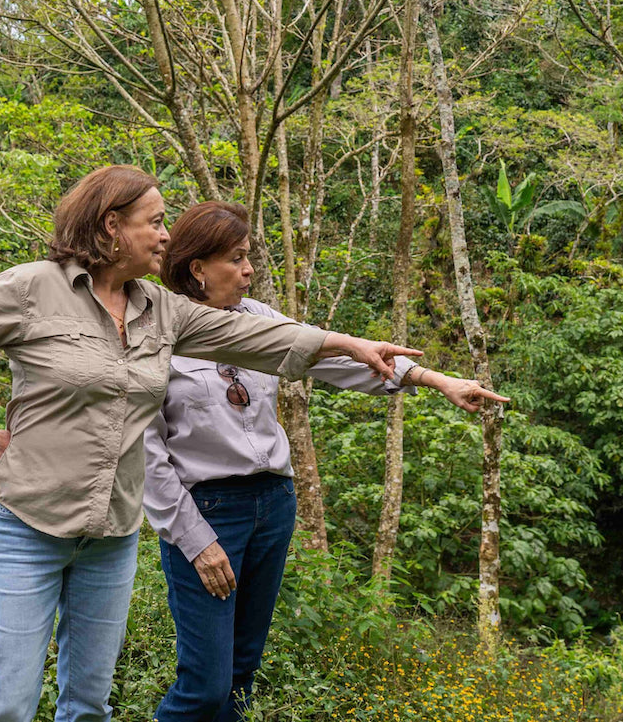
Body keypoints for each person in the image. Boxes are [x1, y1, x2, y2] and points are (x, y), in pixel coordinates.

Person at [0, 166, 422, 722]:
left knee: (88, 705)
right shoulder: (34, 287)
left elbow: (254, 335)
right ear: (112, 227)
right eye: (154, 222)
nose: (166, 235)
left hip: (112, 530)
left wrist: (345, 342)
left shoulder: (161, 308)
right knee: (8, 703)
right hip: (26, 520)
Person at [144, 201, 508, 722]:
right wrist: (195, 540)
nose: (249, 270)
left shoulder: (259, 320)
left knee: (241, 674)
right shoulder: (157, 333)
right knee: (205, 684)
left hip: (272, 504)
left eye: (250, 257)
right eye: (236, 258)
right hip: (206, 510)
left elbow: (342, 358)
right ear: (197, 267)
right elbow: (148, 453)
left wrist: (438, 380)